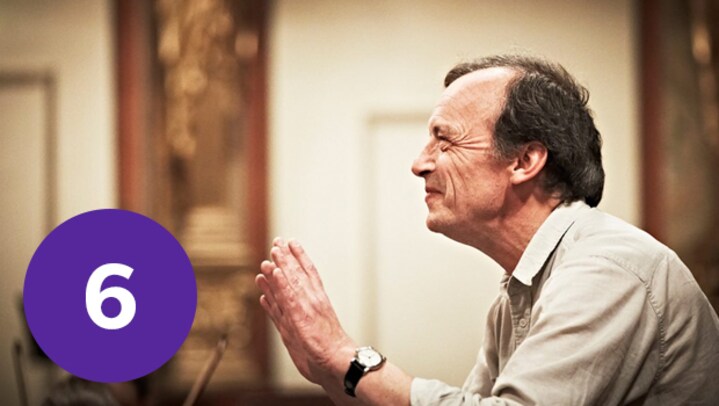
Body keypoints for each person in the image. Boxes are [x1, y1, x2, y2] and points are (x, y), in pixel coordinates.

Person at [254, 54, 719, 405]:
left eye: (445, 140)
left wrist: (346, 357)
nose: (419, 164)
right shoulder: (518, 294)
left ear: (524, 160)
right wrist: (330, 371)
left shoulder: (608, 270)